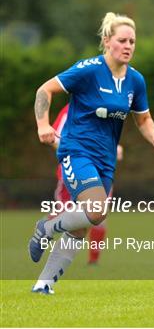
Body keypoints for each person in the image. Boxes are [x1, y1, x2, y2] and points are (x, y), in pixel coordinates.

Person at [30, 12, 154, 294]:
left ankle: (42, 286)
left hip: (106, 161)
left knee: (82, 227)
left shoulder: (135, 80)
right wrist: (43, 124)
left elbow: (142, 118)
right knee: (97, 210)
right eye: (122, 40)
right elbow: (45, 90)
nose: (128, 45)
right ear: (107, 41)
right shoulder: (88, 70)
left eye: (132, 40)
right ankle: (45, 229)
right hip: (76, 151)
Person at [49, 104, 121, 265]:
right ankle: (46, 228)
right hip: (73, 173)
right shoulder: (70, 110)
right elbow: (54, 138)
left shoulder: (108, 110)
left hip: (102, 173)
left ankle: (93, 262)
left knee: (99, 216)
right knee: (67, 217)